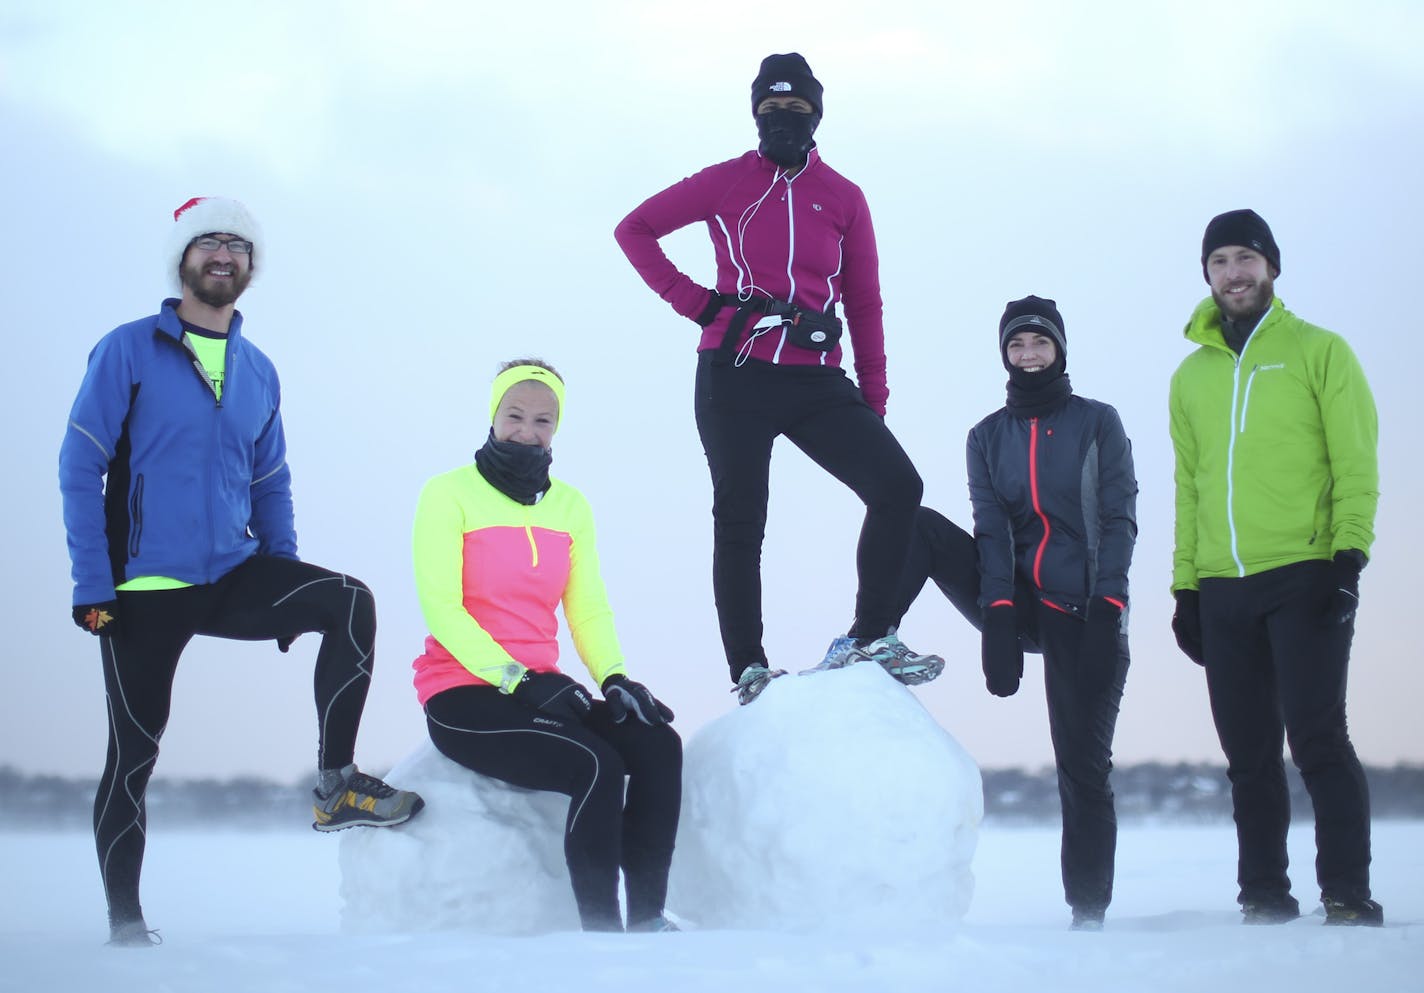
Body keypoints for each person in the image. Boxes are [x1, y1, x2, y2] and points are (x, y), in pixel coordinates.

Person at [58, 197, 424, 947]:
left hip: (234, 571)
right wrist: (92, 585)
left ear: (251, 267)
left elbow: (270, 484)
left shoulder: (259, 370)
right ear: (182, 261)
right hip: (142, 587)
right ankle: (126, 926)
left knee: (348, 601)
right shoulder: (127, 350)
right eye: (208, 243)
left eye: (238, 245)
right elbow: (79, 466)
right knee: (133, 754)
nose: (223, 255)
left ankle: (336, 785)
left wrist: (283, 579)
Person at [615, 52, 941, 705]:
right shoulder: (727, 181)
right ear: (755, 114)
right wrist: (699, 303)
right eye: (770, 110)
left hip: (816, 379)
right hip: (734, 373)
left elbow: (864, 302)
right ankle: (750, 670)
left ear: (816, 116)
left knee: (898, 485)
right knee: (741, 519)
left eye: (795, 111)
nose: (782, 121)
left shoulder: (844, 197)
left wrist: (870, 398)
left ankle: (871, 635)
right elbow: (636, 229)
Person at [892, 296, 1137, 931]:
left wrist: (1109, 606)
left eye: (1039, 343)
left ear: (1060, 349)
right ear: (1004, 354)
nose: (1028, 354)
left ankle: (1088, 911)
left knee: (1082, 764)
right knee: (915, 523)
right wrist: (997, 617)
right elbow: (990, 531)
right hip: (1018, 600)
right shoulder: (986, 436)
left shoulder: (1097, 423)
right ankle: (874, 635)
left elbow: (1118, 520)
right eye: (1016, 345)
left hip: (1086, 611)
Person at [412, 360, 682, 933]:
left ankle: (649, 923)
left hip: (540, 691)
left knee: (658, 744)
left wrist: (615, 678)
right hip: (464, 692)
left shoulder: (570, 506)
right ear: (493, 416)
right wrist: (518, 678)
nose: (527, 430)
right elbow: (442, 606)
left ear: (556, 428)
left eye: (543, 419)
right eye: (515, 415)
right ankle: (603, 934)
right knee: (595, 763)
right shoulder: (448, 494)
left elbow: (586, 606)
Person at [1169, 209, 1382, 927]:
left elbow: (1355, 459)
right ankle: (1263, 893)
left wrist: (1349, 555)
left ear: (1272, 267)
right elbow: (1190, 485)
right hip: (1224, 585)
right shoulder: (1189, 376)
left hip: (1305, 572)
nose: (1234, 272)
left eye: (1247, 258)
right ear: (1207, 272)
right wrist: (1185, 585)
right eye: (1221, 260)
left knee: (1318, 738)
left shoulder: (1321, 351)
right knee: (1249, 755)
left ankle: (1347, 891)